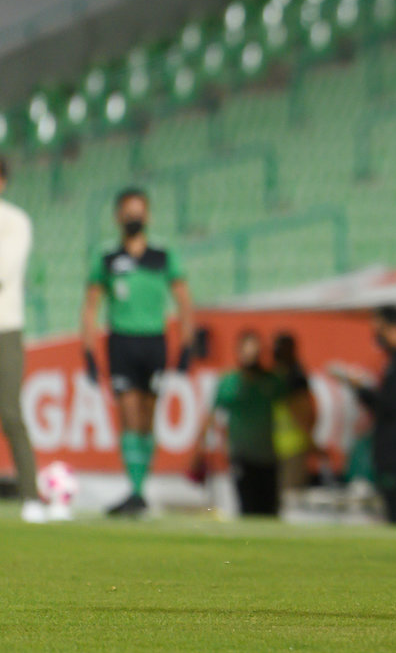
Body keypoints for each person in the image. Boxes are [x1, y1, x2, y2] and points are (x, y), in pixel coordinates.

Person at [81, 187, 194, 516]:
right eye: (128, 212)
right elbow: (90, 308)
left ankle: (140, 489)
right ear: (118, 216)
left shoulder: (163, 255)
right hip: (121, 342)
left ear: (148, 215)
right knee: (129, 415)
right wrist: (88, 352)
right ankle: (135, 490)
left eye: (138, 212)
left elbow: (184, 303)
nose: (133, 217)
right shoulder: (106, 257)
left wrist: (187, 345)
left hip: (154, 342)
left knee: (147, 418)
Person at [343, 306, 396, 525]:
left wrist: (362, 389)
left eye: (380, 329)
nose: (377, 336)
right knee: (391, 509)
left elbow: (391, 405)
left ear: (394, 328)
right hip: (392, 448)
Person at [193, 331, 283, 516]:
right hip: (241, 453)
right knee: (248, 507)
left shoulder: (272, 381)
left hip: (268, 454)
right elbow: (211, 415)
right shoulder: (229, 382)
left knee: (270, 508)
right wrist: (199, 448)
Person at [0, 156, 45, 523]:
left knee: (10, 412)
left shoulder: (15, 221)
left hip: (5, 328)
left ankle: (31, 495)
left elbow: (2, 270)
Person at [271, 332, 316, 510]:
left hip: (292, 445)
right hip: (277, 445)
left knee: (289, 499)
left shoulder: (294, 376)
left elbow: (302, 409)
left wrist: (309, 438)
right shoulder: (279, 373)